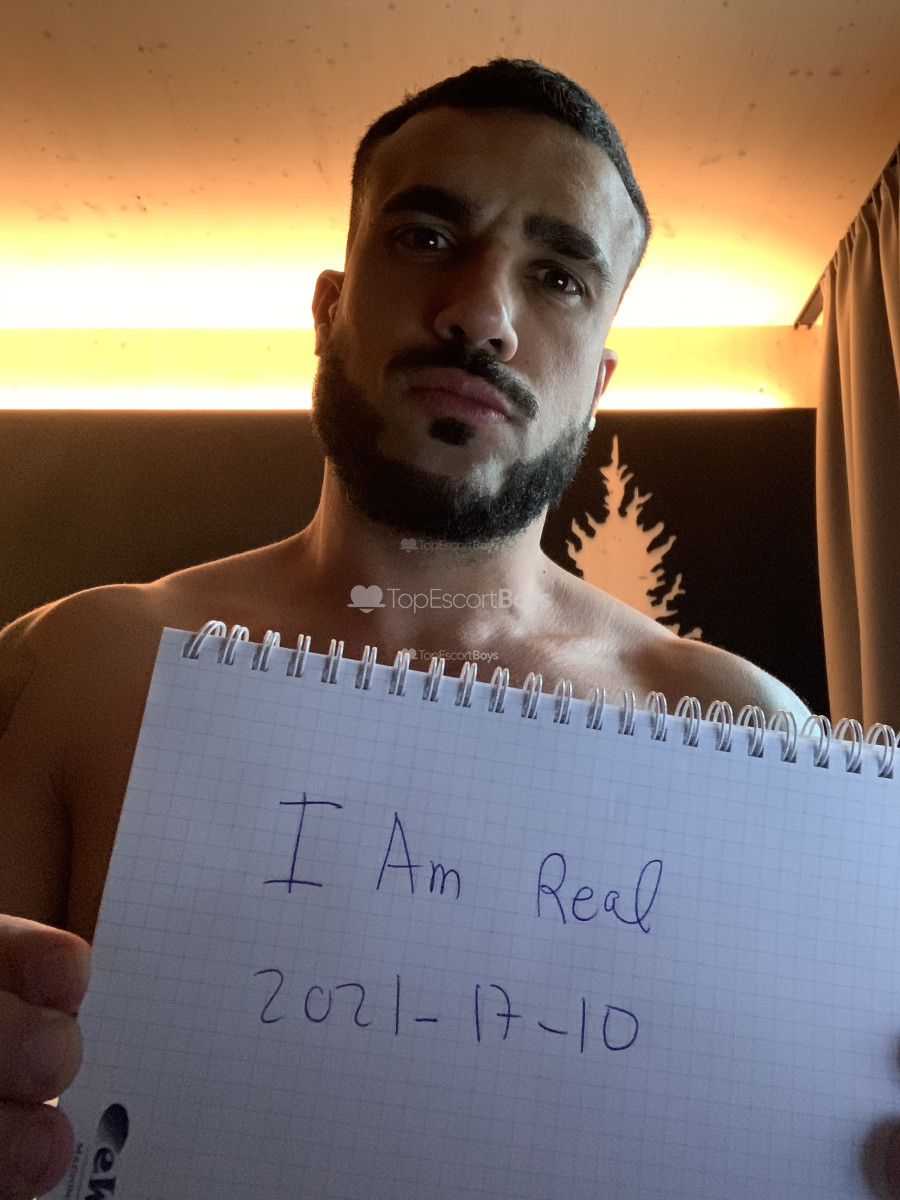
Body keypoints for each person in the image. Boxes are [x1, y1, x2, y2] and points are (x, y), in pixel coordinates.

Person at [0, 58, 820, 1199]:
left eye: (558, 277)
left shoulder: (739, 734)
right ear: (329, 311)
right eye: (428, 237)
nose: (481, 314)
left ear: (598, 385)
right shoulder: (76, 670)